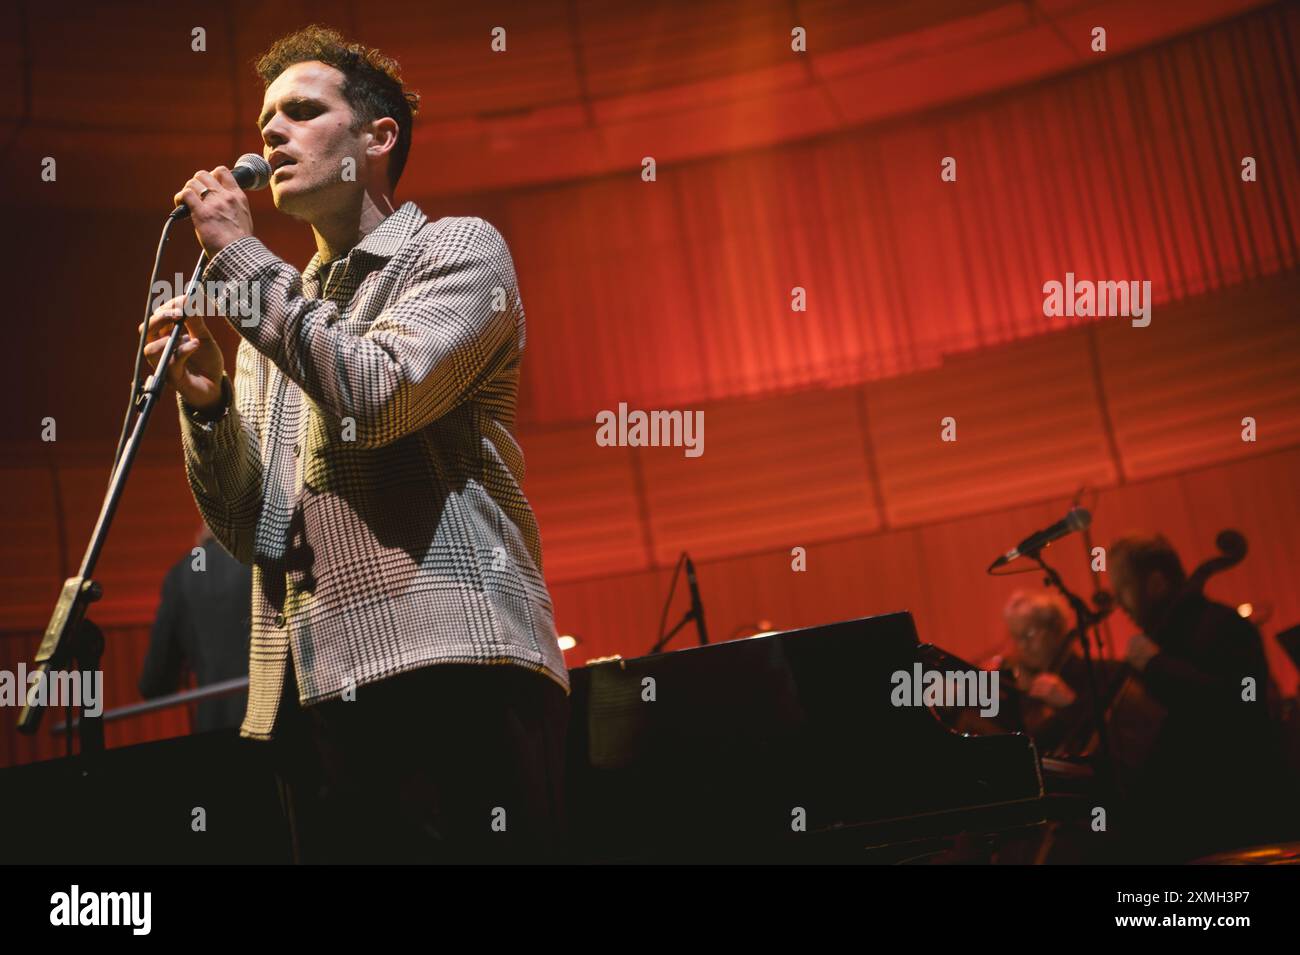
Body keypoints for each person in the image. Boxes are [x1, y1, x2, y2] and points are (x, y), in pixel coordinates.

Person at [138, 25, 570, 862]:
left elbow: (374, 395)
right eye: (265, 118)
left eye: (301, 111)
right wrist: (212, 408)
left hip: (453, 669)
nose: (270, 134)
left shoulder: (457, 251)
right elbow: (255, 530)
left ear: (377, 138)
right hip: (314, 695)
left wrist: (237, 256)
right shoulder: (281, 311)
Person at [1109, 532, 1295, 861]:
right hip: (1193, 820)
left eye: (1122, 587)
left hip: (1237, 810)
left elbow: (1241, 705)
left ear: (1154, 583)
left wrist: (1156, 665)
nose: (1119, 603)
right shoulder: (1161, 641)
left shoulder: (1225, 625)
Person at [139, 524, 251, 732]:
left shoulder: (184, 572)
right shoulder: (273, 559)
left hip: (213, 728)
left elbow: (155, 683)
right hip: (283, 725)